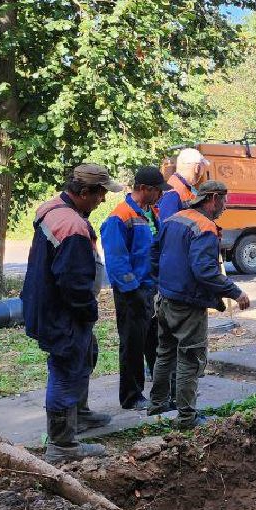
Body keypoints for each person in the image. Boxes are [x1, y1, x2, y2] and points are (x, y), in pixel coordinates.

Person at [21, 163, 123, 462]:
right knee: (66, 371)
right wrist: (89, 311)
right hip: (62, 313)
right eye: (100, 194)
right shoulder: (72, 226)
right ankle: (62, 446)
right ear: (84, 192)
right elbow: (74, 284)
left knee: (86, 354)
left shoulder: (52, 209)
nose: (102, 201)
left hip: (47, 305)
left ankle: (79, 414)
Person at [150, 180, 251, 429]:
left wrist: (163, 283)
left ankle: (157, 404)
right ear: (212, 198)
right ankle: (186, 417)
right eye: (224, 200)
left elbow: (154, 255)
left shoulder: (175, 219)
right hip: (186, 304)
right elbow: (205, 271)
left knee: (165, 353)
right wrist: (236, 293)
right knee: (190, 358)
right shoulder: (204, 227)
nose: (225, 206)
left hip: (164, 299)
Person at [100, 165, 169, 411]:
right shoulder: (120, 217)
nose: (161, 195)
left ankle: (161, 391)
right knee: (132, 344)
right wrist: (133, 291)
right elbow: (117, 261)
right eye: (157, 190)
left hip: (151, 290)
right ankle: (131, 396)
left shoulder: (152, 213)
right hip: (132, 293)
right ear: (143, 189)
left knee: (154, 342)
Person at [157, 147, 209, 223]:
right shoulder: (174, 192)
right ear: (197, 168)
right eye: (202, 168)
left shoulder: (181, 187)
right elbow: (167, 227)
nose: (202, 174)